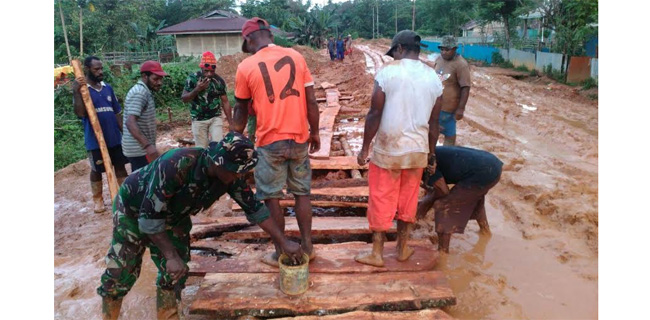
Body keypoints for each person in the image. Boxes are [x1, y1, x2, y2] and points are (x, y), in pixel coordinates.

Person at [97, 132, 303, 320]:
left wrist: (283, 242)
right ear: (220, 164)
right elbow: (149, 217)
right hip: (133, 210)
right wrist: (169, 255)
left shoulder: (231, 176)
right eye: (238, 173)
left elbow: (256, 210)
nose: (241, 177)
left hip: (174, 217)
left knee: (176, 272)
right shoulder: (176, 164)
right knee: (120, 272)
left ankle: (168, 315)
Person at [231, 17, 321, 267]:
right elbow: (311, 101)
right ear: (270, 35)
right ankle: (308, 246)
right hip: (299, 139)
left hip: (270, 142)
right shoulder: (296, 57)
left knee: (271, 197)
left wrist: (235, 137)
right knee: (302, 193)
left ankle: (280, 250)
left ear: (249, 39)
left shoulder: (246, 67)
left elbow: (240, 108)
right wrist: (315, 132)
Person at [355, 30, 443, 267]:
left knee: (381, 197)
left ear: (400, 49)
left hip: (388, 149)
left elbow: (375, 113)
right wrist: (431, 154)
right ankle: (403, 248)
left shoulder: (388, 72)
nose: (393, 56)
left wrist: (364, 149)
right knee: (408, 198)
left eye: (394, 52)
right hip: (417, 150)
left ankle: (377, 253)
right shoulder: (433, 77)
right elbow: (434, 123)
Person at [416, 146, 503, 253]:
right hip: (491, 163)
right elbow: (432, 187)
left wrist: (426, 203)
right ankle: (485, 232)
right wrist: (426, 202)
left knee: (443, 205)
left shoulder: (424, 164)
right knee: (472, 197)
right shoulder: (426, 153)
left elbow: (443, 191)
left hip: (485, 171)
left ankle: (443, 253)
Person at [72, 56, 129, 213]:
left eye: (101, 68)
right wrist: (76, 92)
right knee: (97, 170)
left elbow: (117, 113)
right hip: (95, 139)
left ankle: (124, 197)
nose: (100, 72)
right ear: (87, 70)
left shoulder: (107, 88)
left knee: (120, 166)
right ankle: (98, 199)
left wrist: (125, 133)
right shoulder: (83, 91)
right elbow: (80, 113)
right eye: (96, 69)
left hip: (114, 137)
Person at [181, 51, 233, 148]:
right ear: (201, 68)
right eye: (206, 71)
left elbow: (225, 101)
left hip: (215, 118)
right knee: (201, 149)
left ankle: (216, 163)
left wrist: (231, 123)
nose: (209, 74)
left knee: (218, 147)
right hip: (198, 120)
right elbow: (184, 99)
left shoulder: (218, 81)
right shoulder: (193, 79)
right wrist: (197, 89)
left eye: (212, 71)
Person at [122, 61, 166, 171]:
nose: (159, 82)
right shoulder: (139, 93)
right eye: (155, 79)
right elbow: (130, 122)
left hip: (139, 148)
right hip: (139, 149)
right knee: (144, 181)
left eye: (161, 79)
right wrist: (147, 146)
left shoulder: (145, 91)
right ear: (144, 76)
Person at [434, 35, 471, 146]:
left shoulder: (461, 65)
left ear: (454, 49)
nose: (444, 52)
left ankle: (445, 156)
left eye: (447, 49)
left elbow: (465, 87)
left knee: (449, 135)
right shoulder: (439, 59)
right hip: (434, 105)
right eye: (442, 49)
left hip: (448, 108)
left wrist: (461, 109)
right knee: (431, 132)